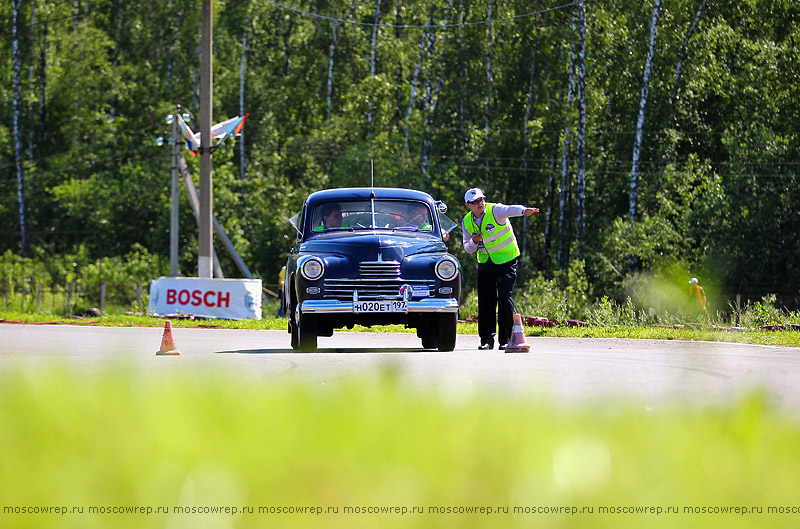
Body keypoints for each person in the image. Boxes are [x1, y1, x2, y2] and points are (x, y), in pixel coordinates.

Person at [462, 187, 538, 350]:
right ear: (468, 205)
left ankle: (505, 339)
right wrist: (474, 241)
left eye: (481, 200)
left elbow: (510, 209)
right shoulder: (467, 222)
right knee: (486, 301)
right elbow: (468, 248)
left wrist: (524, 211)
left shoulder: (495, 210)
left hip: (506, 260)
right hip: (485, 262)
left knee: (504, 297)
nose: (479, 203)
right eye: (475, 202)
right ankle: (486, 340)